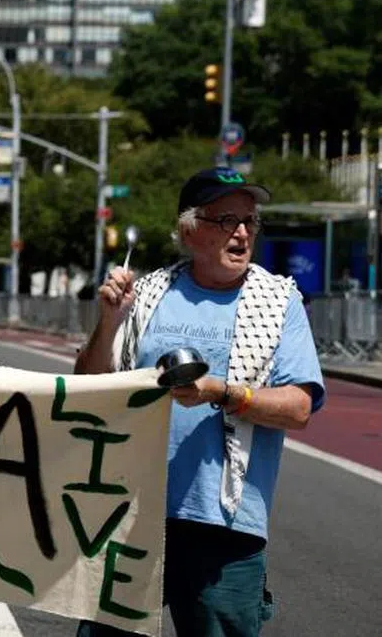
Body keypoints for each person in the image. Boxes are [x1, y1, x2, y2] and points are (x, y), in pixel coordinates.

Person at [73, 168, 325, 637]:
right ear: (189, 231)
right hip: (130, 514)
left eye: (250, 220)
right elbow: (88, 390)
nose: (243, 232)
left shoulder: (278, 301)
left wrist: (222, 393)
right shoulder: (145, 295)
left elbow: (299, 407)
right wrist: (108, 321)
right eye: (227, 220)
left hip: (226, 526)